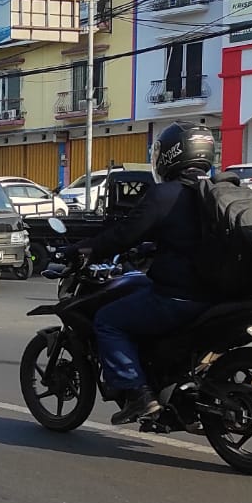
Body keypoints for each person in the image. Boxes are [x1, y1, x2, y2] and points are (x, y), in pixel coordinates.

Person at [80, 122, 220, 425]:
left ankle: (138, 395)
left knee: (108, 320)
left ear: (170, 154)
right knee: (141, 287)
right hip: (220, 295)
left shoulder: (166, 194)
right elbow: (189, 237)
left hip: (179, 298)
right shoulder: (218, 191)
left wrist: (86, 249)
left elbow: (124, 235)